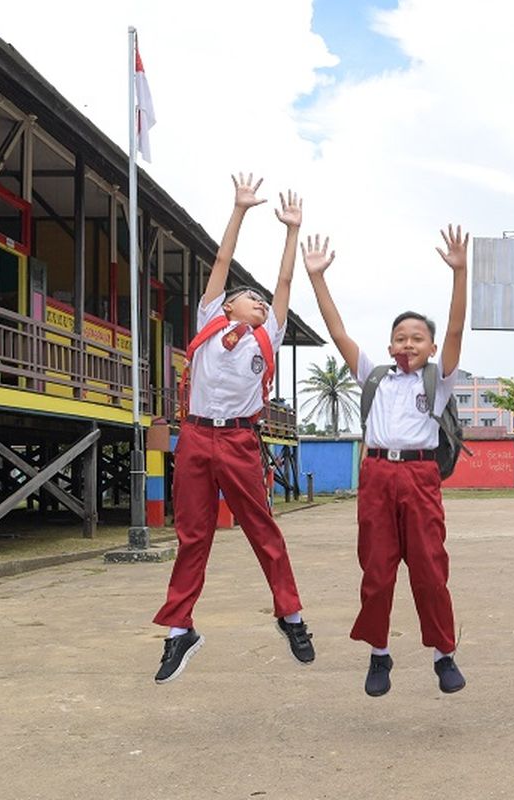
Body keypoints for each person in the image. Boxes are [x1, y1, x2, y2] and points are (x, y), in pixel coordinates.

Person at [153, 174, 314, 683]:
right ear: (226, 306)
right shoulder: (208, 317)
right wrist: (240, 209)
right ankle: (180, 631)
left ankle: (290, 616)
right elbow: (221, 262)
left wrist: (292, 232)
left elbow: (285, 284)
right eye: (250, 298)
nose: (261, 302)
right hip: (198, 436)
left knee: (263, 529)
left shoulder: (265, 336)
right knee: (192, 535)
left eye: (264, 303)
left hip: (241, 439)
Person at [303, 225, 470, 697]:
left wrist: (460, 273)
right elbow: (337, 331)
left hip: (419, 477)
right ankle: (379, 654)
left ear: (432, 348)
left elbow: (456, 326)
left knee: (430, 571)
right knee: (376, 573)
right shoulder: (373, 377)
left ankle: (444, 655)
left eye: (418, 337)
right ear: (391, 344)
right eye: (401, 337)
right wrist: (318, 279)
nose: (409, 343)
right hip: (375, 476)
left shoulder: (440, 381)